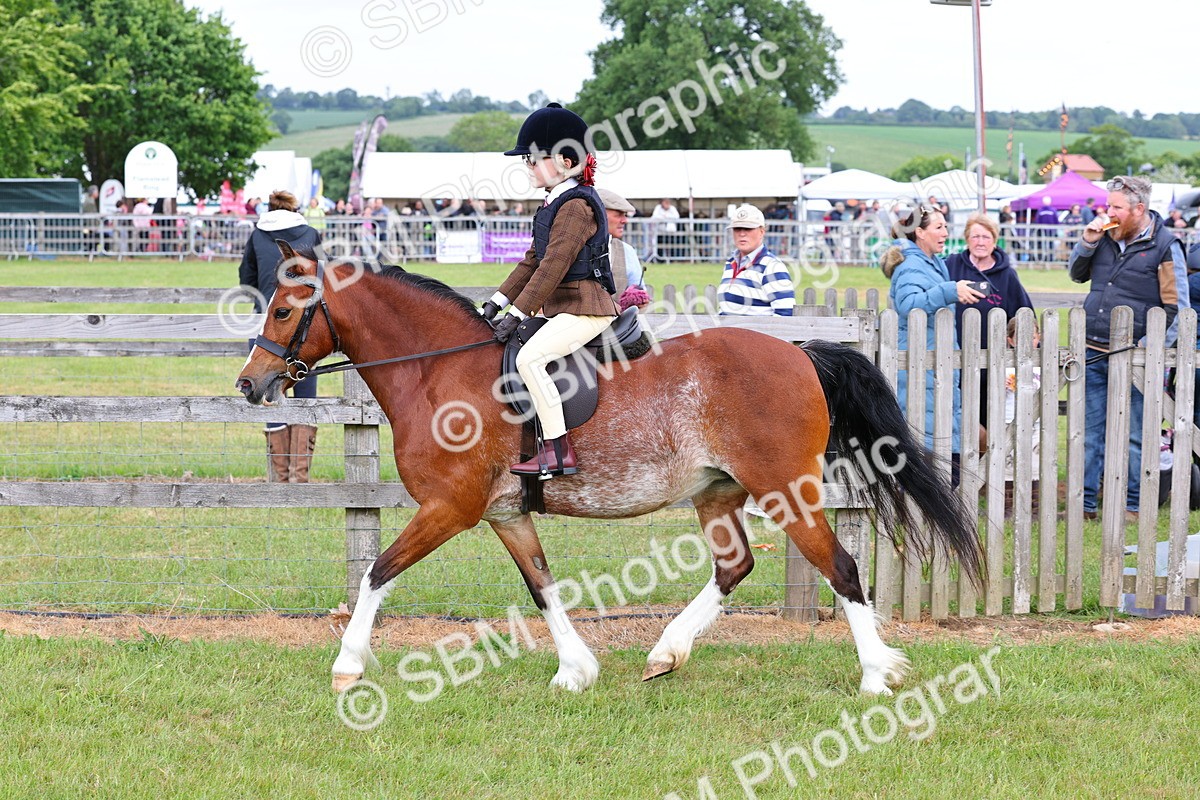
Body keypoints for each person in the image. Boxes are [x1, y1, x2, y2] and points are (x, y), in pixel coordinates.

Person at [481, 103, 618, 479]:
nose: (526, 166)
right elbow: (531, 261)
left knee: (530, 359)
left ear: (564, 160)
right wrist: (495, 304)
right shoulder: (553, 203)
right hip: (565, 308)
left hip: (586, 308)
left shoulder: (575, 207)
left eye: (532, 159)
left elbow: (553, 267)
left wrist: (519, 314)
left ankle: (558, 450)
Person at [1068, 175, 1190, 521]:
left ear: (1139, 209)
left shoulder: (1166, 245)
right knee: (1089, 432)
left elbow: (1176, 306)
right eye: (1109, 205)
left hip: (1136, 356)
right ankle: (1085, 506)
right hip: (1094, 350)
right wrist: (1087, 243)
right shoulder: (1105, 236)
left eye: (1116, 207)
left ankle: (1133, 505)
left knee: (1137, 434)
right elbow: (1077, 275)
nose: (1110, 212)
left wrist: (1148, 349)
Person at [882, 206, 985, 464]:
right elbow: (908, 304)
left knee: (942, 439)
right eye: (939, 227)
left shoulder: (933, 263)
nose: (946, 233)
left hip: (936, 361)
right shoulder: (911, 265)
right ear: (920, 232)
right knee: (924, 443)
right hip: (919, 363)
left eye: (946, 227)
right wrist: (950, 290)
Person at [237, 189, 326, 483]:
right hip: (303, 327)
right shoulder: (311, 233)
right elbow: (326, 279)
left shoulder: (257, 235)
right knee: (305, 397)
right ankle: (300, 477)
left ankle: (279, 477)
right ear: (295, 208)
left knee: (271, 395)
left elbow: (245, 278)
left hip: (266, 326)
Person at [946, 212, 1034, 436]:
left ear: (995, 241)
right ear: (967, 239)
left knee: (990, 418)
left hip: (994, 362)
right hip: (955, 358)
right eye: (975, 236)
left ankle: (987, 466)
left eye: (986, 237)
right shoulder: (952, 266)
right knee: (957, 417)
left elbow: (1024, 314)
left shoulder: (1007, 276)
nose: (980, 242)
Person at [717, 203, 795, 317]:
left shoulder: (772, 267)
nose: (742, 233)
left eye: (748, 228)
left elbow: (785, 316)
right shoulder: (730, 264)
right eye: (737, 228)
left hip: (758, 334)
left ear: (762, 232)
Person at [596, 187, 650, 311]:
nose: (625, 220)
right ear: (599, 214)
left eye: (625, 215)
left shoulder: (627, 251)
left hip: (617, 328)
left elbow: (640, 295)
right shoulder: (574, 247)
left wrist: (639, 300)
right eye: (619, 214)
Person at [650, 197, 679, 261]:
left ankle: (672, 259)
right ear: (662, 203)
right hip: (660, 231)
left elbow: (676, 217)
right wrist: (664, 217)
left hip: (670, 231)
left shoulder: (672, 208)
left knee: (671, 246)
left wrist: (665, 217)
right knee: (660, 246)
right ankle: (660, 260)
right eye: (665, 202)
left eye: (668, 202)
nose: (667, 204)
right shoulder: (658, 208)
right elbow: (654, 217)